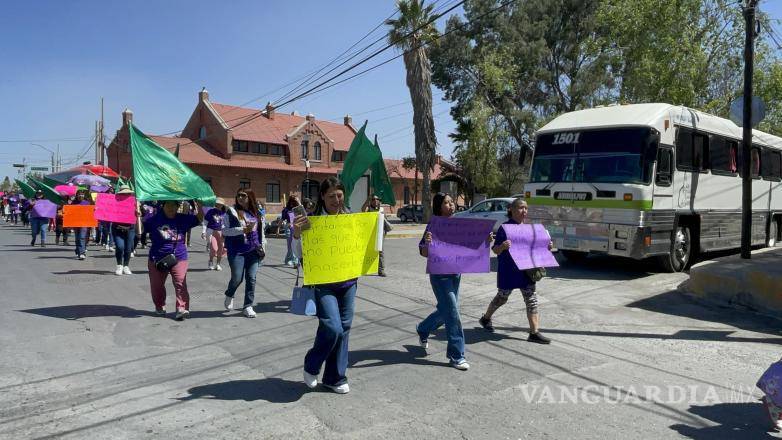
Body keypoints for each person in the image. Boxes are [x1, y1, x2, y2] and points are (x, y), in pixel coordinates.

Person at [292, 177, 357, 394]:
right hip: (323, 282)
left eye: (339, 195)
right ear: (322, 197)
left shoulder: (352, 219)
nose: (336, 200)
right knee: (332, 326)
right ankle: (312, 364)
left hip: (348, 281)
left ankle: (335, 378)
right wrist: (297, 234)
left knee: (344, 329)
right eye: (331, 196)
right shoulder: (311, 220)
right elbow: (298, 254)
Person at [417, 192, 489, 371]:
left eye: (452, 202)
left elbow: (469, 247)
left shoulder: (458, 224)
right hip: (440, 275)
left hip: (456, 274)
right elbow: (424, 252)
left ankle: (423, 328)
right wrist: (427, 243)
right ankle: (457, 355)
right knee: (453, 312)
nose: (451, 205)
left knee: (446, 310)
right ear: (439, 206)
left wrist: (485, 241)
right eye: (447, 203)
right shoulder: (434, 225)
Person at [478, 198, 552, 344]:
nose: (524, 211)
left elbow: (537, 249)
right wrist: (503, 246)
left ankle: (534, 332)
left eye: (526, 208)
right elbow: (495, 250)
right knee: (502, 298)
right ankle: (486, 318)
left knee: (531, 300)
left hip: (526, 270)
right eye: (520, 208)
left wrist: (547, 246)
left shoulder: (530, 229)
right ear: (511, 209)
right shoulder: (504, 228)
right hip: (509, 271)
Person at [144, 200, 204, 320]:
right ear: (163, 206)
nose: (171, 208)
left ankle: (181, 308)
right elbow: (139, 230)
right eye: (168, 205)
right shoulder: (154, 219)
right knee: (157, 286)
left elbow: (199, 219)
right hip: (157, 258)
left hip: (179, 257)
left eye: (174, 205)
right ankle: (160, 305)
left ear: (178, 207)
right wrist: (137, 217)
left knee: (180, 282)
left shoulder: (183, 218)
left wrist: (200, 206)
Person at [222, 189, 265, 318]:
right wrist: (242, 230)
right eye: (238, 195)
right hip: (237, 251)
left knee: (251, 279)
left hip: (253, 251)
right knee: (237, 278)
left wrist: (262, 247)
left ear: (250, 197)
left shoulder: (256, 213)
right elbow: (224, 231)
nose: (240, 197)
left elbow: (261, 233)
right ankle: (230, 294)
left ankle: (248, 306)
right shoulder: (231, 212)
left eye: (243, 195)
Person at [111, 185, 140, 276]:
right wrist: (99, 210)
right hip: (117, 228)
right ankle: (119, 265)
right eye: (123, 193)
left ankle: (126, 266)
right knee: (120, 247)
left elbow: (140, 212)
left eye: (127, 193)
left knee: (128, 248)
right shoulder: (115, 201)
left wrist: (138, 212)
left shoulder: (134, 202)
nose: (125, 195)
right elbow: (107, 211)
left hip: (130, 228)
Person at [363, 194, 392, 277]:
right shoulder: (368, 208)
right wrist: (367, 200)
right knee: (368, 251)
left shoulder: (382, 209)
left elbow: (385, 221)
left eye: (377, 199)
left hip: (380, 234)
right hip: (370, 234)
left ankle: (381, 270)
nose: (375, 201)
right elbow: (363, 210)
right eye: (373, 199)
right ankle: (366, 269)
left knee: (381, 252)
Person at [201, 198, 227, 271]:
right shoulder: (211, 211)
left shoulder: (224, 213)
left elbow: (226, 224)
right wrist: (203, 232)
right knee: (214, 248)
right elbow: (205, 222)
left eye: (220, 204)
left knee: (221, 249)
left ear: (222, 205)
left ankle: (218, 264)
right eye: (217, 203)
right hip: (211, 231)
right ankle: (211, 261)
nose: (219, 205)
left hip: (221, 232)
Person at [71, 189, 92, 260]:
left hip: (84, 222)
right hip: (75, 222)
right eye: (79, 194)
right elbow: (70, 213)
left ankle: (82, 253)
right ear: (77, 195)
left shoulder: (87, 203)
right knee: (77, 238)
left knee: (82, 237)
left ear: (84, 195)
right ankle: (78, 250)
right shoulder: (73, 203)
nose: (81, 195)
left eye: (82, 194)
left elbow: (91, 212)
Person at [281, 195, 301, 267]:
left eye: (295, 201)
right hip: (289, 228)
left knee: (295, 244)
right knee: (290, 245)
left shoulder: (297, 209)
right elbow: (282, 219)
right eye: (293, 200)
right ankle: (293, 260)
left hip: (296, 227)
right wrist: (278, 229)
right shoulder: (286, 210)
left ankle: (289, 259)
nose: (294, 202)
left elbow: (303, 211)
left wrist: (298, 202)